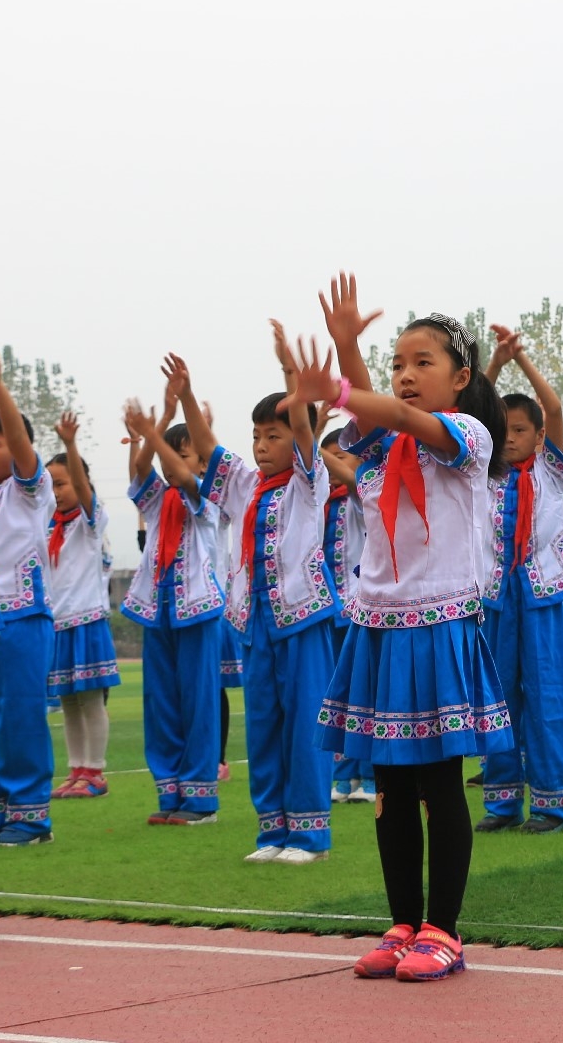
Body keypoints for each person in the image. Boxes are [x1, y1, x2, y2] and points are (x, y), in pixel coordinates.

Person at [299, 276, 514, 982]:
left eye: (424, 362)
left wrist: (338, 383)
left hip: (441, 626)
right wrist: (346, 350)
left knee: (440, 784)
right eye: (398, 362)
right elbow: (378, 419)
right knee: (389, 784)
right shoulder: (380, 452)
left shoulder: (468, 437)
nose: (407, 374)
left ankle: (443, 931)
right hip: (380, 627)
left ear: (461, 377)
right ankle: (400, 924)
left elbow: (393, 414)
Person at [225, 324, 343, 864]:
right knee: (265, 726)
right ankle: (272, 831)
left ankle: (311, 835)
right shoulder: (250, 488)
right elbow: (204, 452)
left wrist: (290, 376)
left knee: (304, 725)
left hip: (302, 615)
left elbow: (301, 424)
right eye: (255, 436)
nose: (261, 445)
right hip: (259, 623)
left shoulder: (308, 479)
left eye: (271, 436)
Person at [477, 324, 563, 834]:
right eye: (504, 431)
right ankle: (501, 804)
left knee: (545, 696)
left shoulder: (551, 468)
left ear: (539, 436)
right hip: (496, 594)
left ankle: (551, 805)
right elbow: (471, 411)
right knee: (497, 697)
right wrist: (493, 366)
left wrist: (521, 362)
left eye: (521, 430)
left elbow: (556, 409)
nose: (512, 438)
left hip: (541, 590)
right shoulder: (485, 470)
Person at [120, 359, 236, 829]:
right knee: (162, 703)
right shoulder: (157, 500)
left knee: (198, 702)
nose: (179, 464)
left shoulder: (206, 498)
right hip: (158, 610)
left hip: (198, 609)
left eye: (187, 455)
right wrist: (161, 420)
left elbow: (184, 478)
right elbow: (140, 467)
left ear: (204, 464)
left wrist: (157, 431)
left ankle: (201, 800)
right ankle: (170, 793)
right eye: (176, 455)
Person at [0, 349, 58, 848]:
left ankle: (30, 817)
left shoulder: (29, 489)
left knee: (20, 717)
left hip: (22, 617)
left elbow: (21, 447)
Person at [46, 411, 119, 800]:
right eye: (51, 485)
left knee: (90, 700)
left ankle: (96, 771)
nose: (55, 492)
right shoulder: (47, 525)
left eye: (62, 483)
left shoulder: (91, 521)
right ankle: (76, 770)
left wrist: (71, 445)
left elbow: (84, 492)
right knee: (68, 702)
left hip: (86, 620)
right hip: (57, 624)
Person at [318, 428, 376, 805]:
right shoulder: (322, 501)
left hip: (361, 604)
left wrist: (307, 442)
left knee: (365, 691)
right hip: (329, 607)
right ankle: (344, 777)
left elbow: (350, 478)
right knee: (337, 695)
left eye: (342, 456)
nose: (336, 467)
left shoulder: (363, 494)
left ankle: (371, 776)